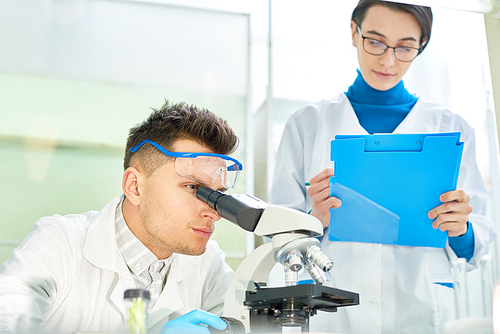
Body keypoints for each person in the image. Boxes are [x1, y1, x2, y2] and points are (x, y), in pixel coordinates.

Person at [268, 1, 497, 333]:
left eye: (405, 47)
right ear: (353, 32)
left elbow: (479, 238)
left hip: (420, 303)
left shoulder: (450, 127)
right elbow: (277, 238)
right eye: (374, 41)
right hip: (334, 307)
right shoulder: (307, 124)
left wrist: (461, 227)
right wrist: (315, 218)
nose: (388, 60)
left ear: (421, 47)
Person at [0, 100, 242, 334]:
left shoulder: (209, 266)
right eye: (192, 187)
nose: (213, 212)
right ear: (134, 187)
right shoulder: (58, 244)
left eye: (218, 194)